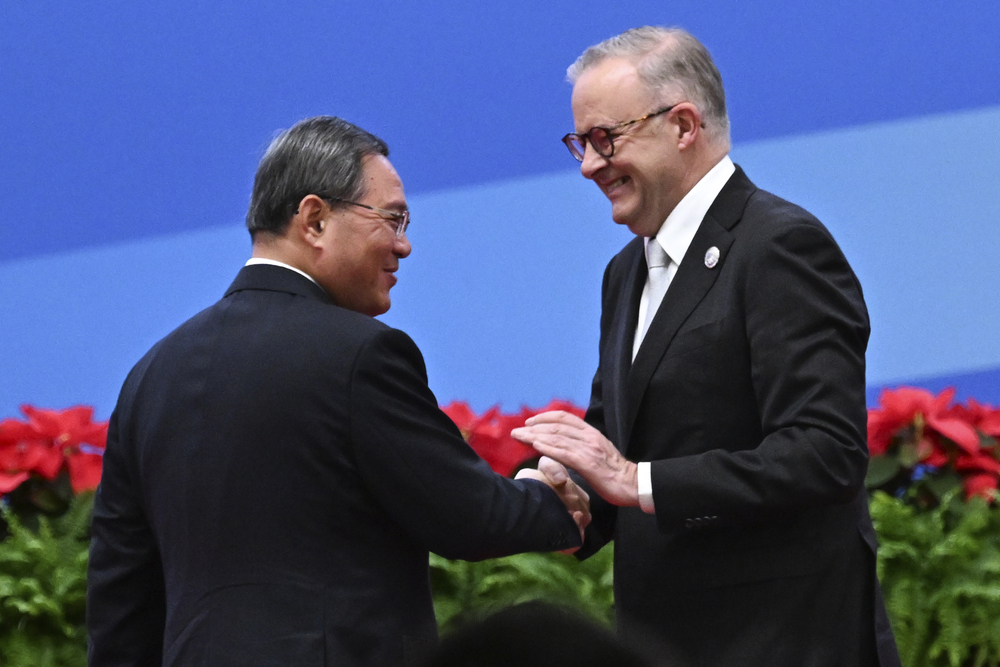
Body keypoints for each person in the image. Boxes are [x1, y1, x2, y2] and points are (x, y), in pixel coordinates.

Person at [87, 116, 589, 667]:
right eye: (392, 219)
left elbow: (120, 603)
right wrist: (550, 498)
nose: (405, 245)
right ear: (315, 219)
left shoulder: (150, 375)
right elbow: (467, 517)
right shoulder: (360, 354)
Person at [512, 27, 901, 666]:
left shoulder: (779, 246)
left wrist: (635, 480)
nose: (588, 165)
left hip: (782, 644)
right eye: (579, 144)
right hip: (665, 642)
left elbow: (824, 453)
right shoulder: (625, 271)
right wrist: (562, 495)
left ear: (684, 125)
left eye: (605, 139)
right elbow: (620, 437)